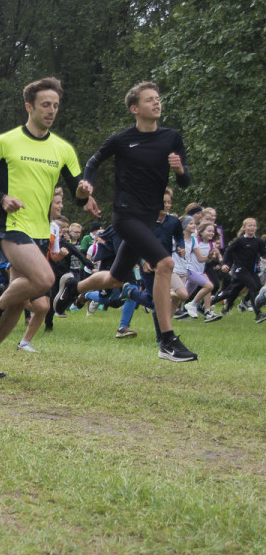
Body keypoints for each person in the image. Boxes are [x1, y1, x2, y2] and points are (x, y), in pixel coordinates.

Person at [0, 77, 97, 378]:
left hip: (40, 231)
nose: (51, 110)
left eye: (55, 105)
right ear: (29, 106)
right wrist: (1, 197)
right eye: (45, 105)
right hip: (9, 226)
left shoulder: (62, 149)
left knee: (22, 301)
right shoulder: (6, 141)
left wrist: (84, 194)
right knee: (44, 279)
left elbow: (77, 192)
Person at [57, 81, 195, 361]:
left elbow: (185, 182)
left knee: (115, 278)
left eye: (158, 98)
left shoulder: (171, 137)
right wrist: (88, 185)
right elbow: (93, 163)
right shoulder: (120, 139)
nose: (157, 103)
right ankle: (167, 341)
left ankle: (74, 287)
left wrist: (180, 170)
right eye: (149, 100)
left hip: (148, 219)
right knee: (165, 263)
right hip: (125, 215)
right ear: (134, 108)